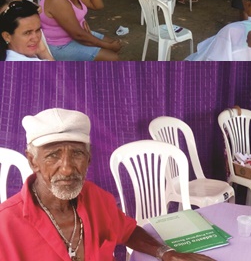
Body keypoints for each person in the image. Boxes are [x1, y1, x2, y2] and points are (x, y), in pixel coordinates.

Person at [0, 107, 213, 261]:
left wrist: (166, 253)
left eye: (77, 153)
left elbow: (128, 231)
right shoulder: (5, 225)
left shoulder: (96, 198)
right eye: (53, 155)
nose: (66, 168)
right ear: (32, 161)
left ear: (89, 158)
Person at [40, 0, 121, 61]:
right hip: (60, 45)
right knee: (112, 57)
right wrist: (107, 46)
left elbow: (98, 5)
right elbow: (78, 34)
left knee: (114, 45)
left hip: (77, 35)